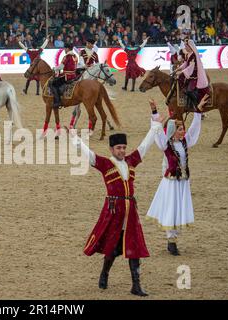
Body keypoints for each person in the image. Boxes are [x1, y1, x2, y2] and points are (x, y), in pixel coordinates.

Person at [69, 102, 164, 296]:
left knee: (135, 246)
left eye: (123, 147)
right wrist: (73, 137)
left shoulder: (131, 160)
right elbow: (86, 153)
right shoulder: (104, 163)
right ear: (112, 149)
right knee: (112, 248)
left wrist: (155, 118)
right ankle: (104, 273)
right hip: (113, 210)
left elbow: (146, 143)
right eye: (118, 148)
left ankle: (136, 285)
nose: (122, 151)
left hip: (130, 211)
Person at [146, 95, 208, 255]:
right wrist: (154, 111)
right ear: (174, 131)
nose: (184, 132)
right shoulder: (165, 144)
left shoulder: (185, 141)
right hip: (171, 182)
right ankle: (171, 241)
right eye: (181, 129)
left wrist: (198, 110)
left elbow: (194, 129)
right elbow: (157, 130)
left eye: (183, 129)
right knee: (171, 209)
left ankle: (173, 239)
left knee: (179, 209)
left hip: (183, 182)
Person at [175, 39, 210, 111]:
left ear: (190, 46)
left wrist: (181, 72)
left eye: (186, 46)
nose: (185, 47)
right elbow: (185, 64)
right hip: (189, 75)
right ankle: (188, 103)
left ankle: (197, 106)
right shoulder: (188, 54)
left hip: (193, 76)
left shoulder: (193, 55)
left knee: (189, 91)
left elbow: (191, 67)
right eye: (184, 46)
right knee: (182, 86)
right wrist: (178, 69)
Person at [51, 42, 78, 109]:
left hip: (67, 76)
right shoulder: (75, 56)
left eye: (65, 49)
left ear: (67, 48)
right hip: (74, 75)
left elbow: (61, 67)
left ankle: (58, 102)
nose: (64, 50)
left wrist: (54, 68)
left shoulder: (67, 57)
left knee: (54, 84)